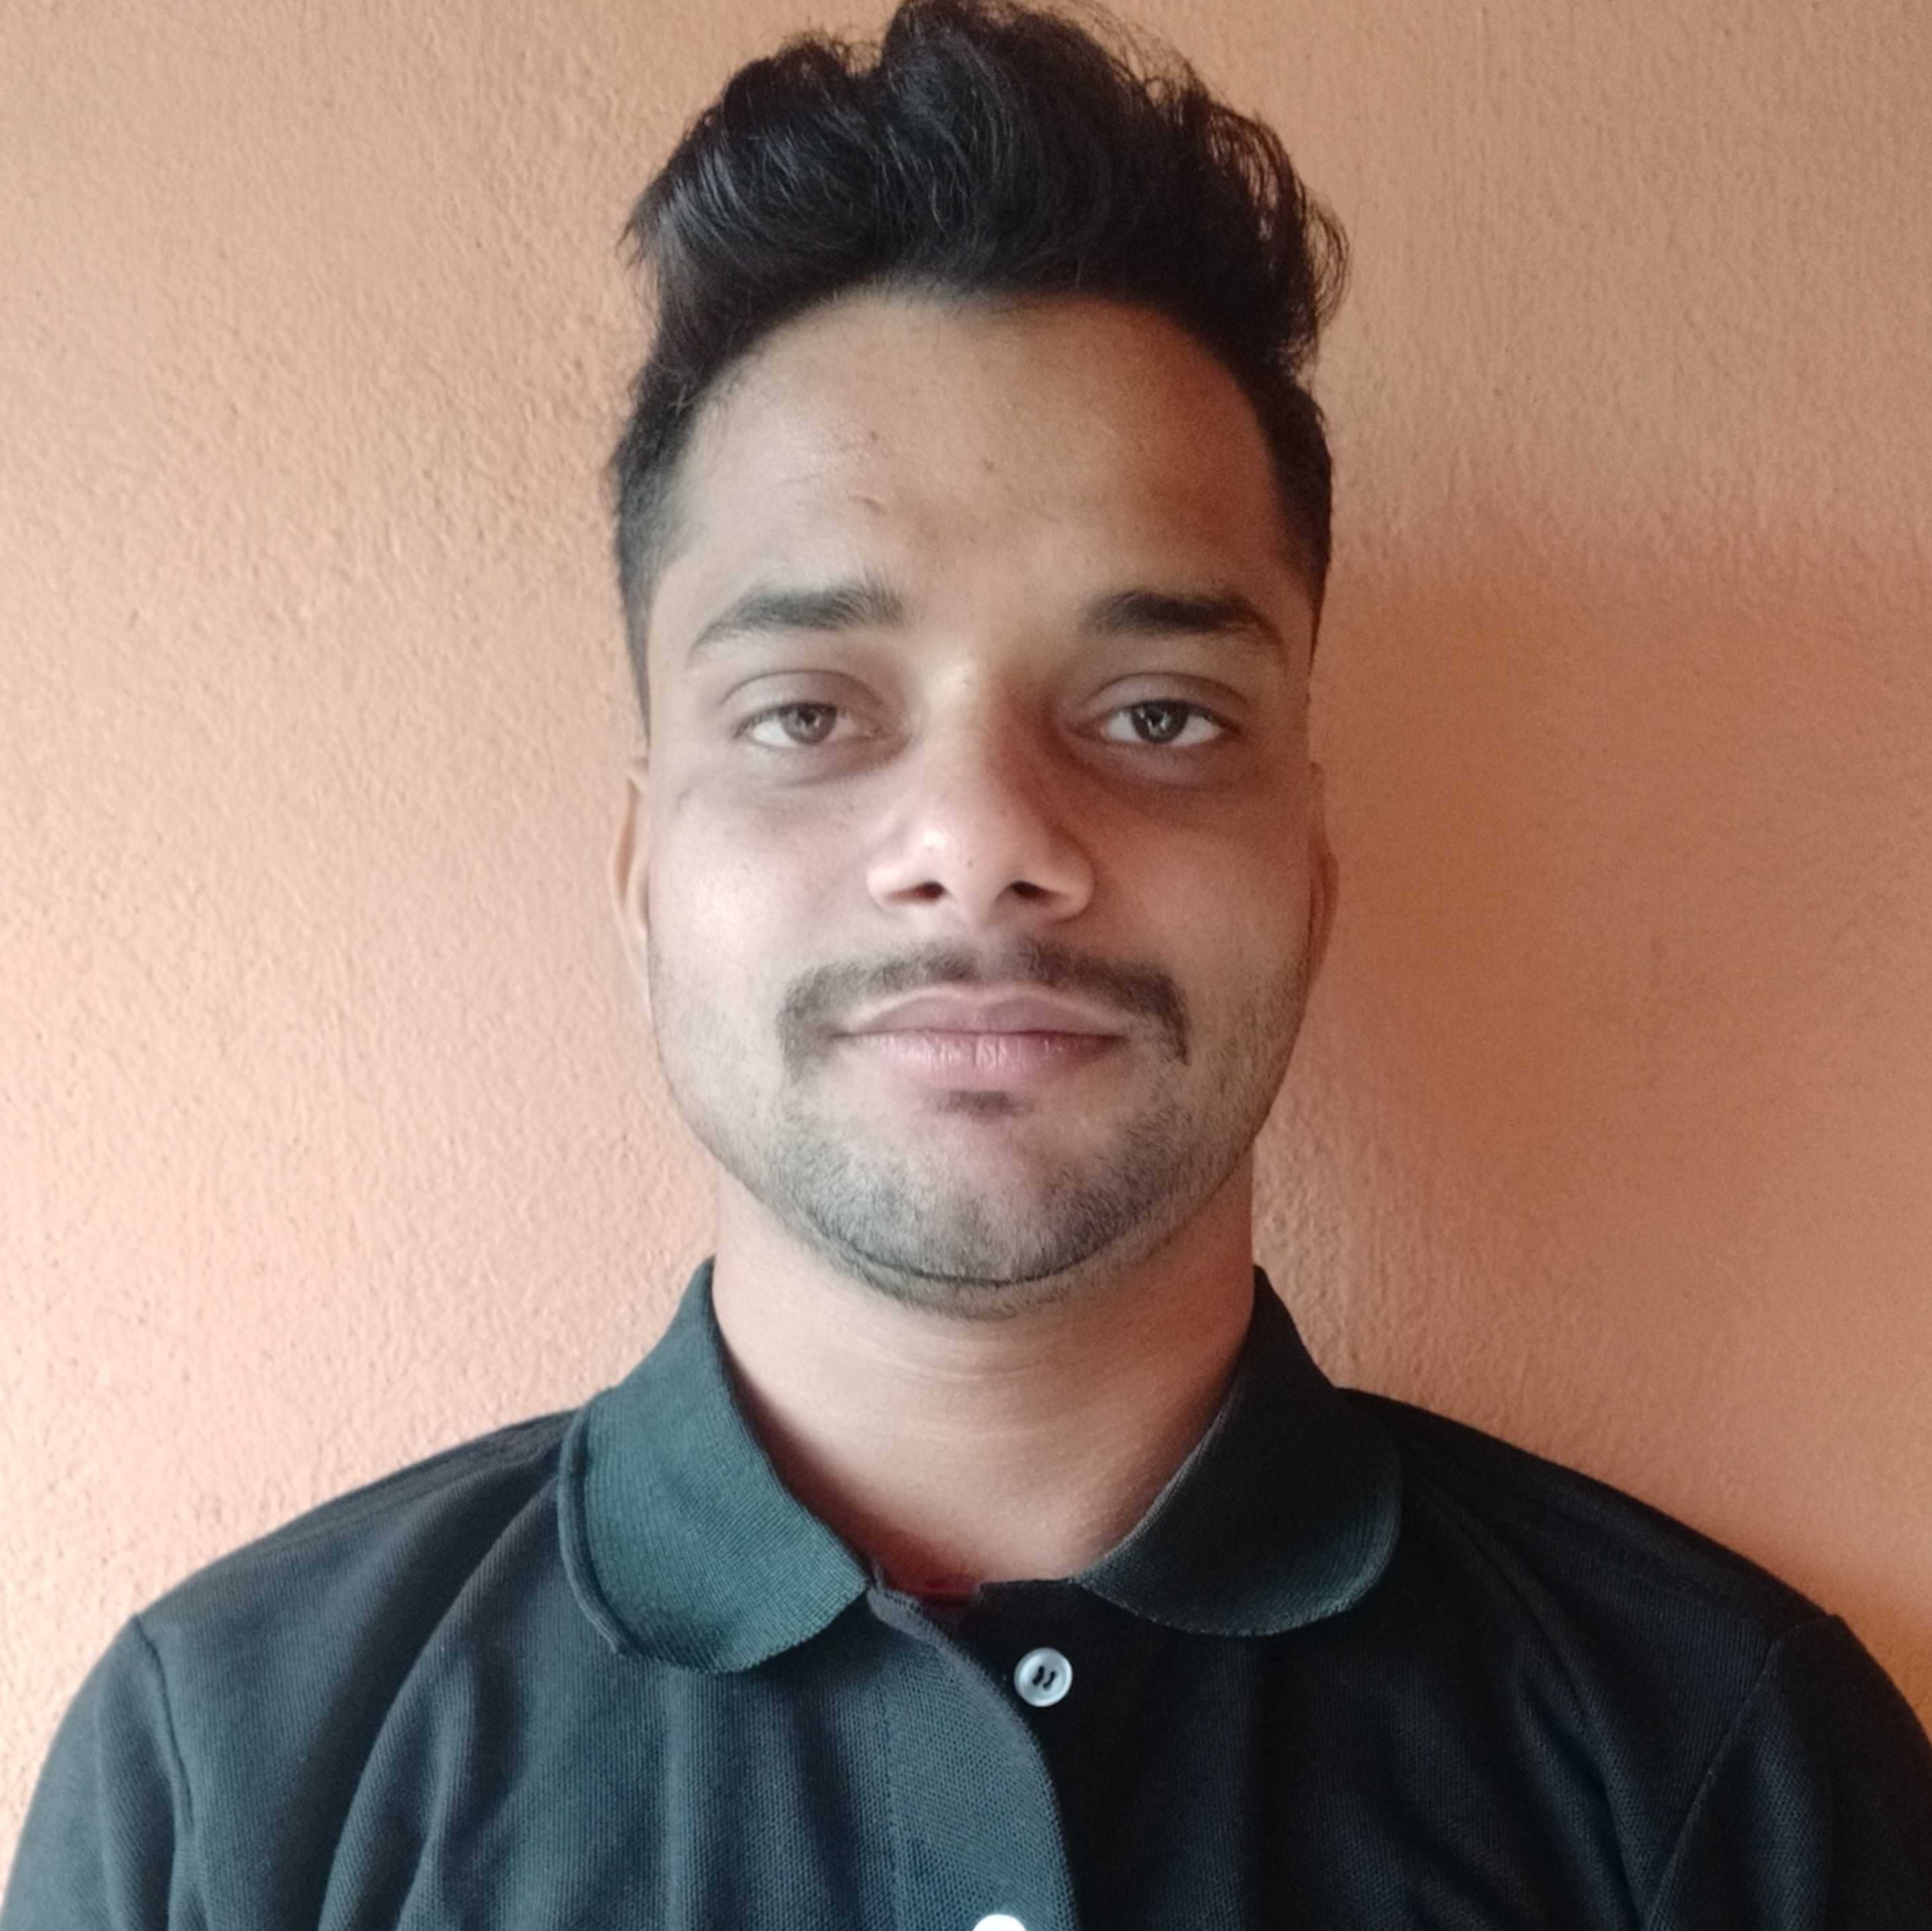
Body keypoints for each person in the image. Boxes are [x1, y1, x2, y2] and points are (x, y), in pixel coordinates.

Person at [8, 0, 1932, 1923]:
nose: (984, 837)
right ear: (642, 874)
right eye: (807, 712)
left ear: (1314, 876)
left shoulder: (1722, 1770)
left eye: (1159, 713)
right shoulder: (231, 1785)